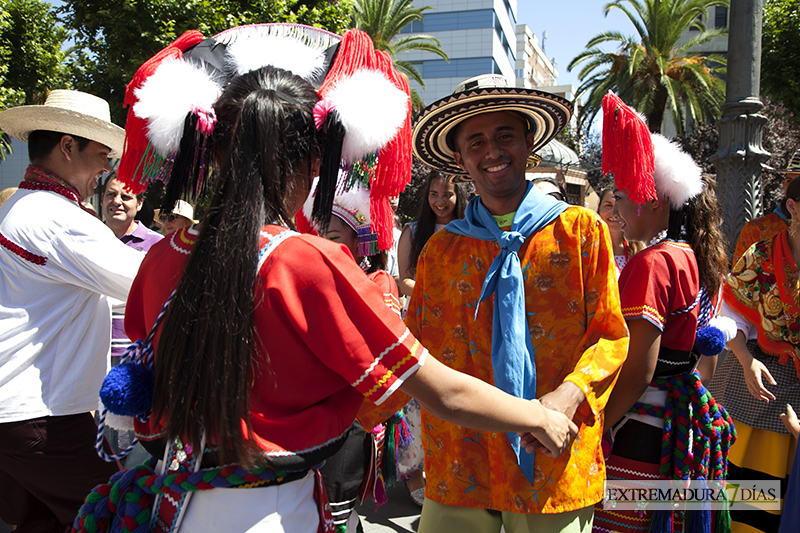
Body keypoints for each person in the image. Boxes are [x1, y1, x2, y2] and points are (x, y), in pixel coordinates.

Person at [73, 27, 578, 533]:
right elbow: (436, 388)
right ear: (316, 162)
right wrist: (538, 417)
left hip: (169, 501)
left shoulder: (165, 255)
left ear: (216, 152)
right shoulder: (308, 263)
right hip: (269, 512)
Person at [378, 73, 629, 532]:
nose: (491, 151)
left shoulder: (581, 233)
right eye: (476, 141)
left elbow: (610, 335)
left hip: (553, 462)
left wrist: (566, 397)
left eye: (504, 136)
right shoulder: (441, 251)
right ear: (459, 157)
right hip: (459, 464)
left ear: (529, 140)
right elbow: (417, 354)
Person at [0, 89, 145, 532]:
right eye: (102, 154)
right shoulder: (56, 216)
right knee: (125, 519)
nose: (107, 168)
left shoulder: (25, 207)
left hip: (22, 417)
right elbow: (144, 280)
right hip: (39, 418)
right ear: (68, 146)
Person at [593, 94, 734, 533]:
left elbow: (639, 370)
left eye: (623, 195)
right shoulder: (690, 255)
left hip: (639, 431)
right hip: (670, 425)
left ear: (655, 202)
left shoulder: (652, 263)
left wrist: (599, 428)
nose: (614, 208)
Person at [710, 177, 800, 533]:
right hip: (756, 385)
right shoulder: (761, 255)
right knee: (748, 503)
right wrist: (747, 361)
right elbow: (730, 320)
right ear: (792, 207)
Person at [396, 170, 468, 299]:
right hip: (422, 311)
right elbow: (405, 283)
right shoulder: (412, 231)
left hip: (461, 311)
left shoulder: (471, 232)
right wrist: (439, 296)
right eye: (434, 194)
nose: (440, 201)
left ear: (458, 196)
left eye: (447, 195)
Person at [731, 151, 800, 265]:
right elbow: (739, 278)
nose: (791, 187)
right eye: (789, 181)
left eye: (798, 182)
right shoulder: (756, 230)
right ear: (783, 184)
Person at [596, 187, 642, 274]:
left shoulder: (640, 250)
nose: (614, 212)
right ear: (599, 210)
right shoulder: (587, 247)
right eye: (608, 205)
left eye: (620, 205)